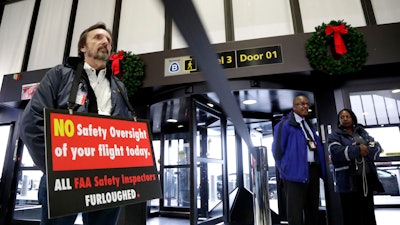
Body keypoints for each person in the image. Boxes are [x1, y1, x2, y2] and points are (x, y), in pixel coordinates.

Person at [19, 22, 134, 225]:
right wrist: (52, 167)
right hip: (63, 177)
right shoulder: (60, 75)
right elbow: (31, 122)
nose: (105, 42)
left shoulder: (119, 87)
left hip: (109, 179)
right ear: (83, 47)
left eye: (108, 40)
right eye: (98, 37)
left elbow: (126, 132)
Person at [272, 94, 326, 225]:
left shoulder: (308, 125)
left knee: (312, 210)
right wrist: (285, 170)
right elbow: (277, 151)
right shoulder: (284, 125)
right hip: (293, 174)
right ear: (293, 107)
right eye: (301, 104)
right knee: (295, 214)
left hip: (312, 171)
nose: (305, 106)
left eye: (307, 104)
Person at [327, 108, 384, 225]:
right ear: (339, 120)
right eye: (342, 117)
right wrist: (358, 149)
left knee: (368, 212)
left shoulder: (362, 133)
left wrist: (365, 149)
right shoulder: (334, 135)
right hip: (347, 181)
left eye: (347, 116)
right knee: (351, 214)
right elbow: (336, 152)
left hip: (366, 180)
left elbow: (376, 147)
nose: (345, 119)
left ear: (353, 118)